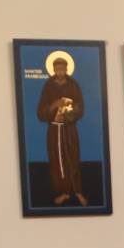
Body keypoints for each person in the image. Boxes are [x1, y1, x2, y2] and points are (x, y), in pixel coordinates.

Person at [36, 55, 88, 205]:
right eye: (57, 68)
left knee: (73, 159)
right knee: (56, 161)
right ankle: (63, 192)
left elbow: (80, 108)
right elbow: (40, 112)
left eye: (63, 68)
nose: (60, 70)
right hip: (54, 130)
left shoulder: (73, 85)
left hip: (69, 129)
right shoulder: (48, 86)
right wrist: (54, 105)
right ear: (53, 69)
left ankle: (77, 191)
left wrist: (66, 116)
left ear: (67, 69)